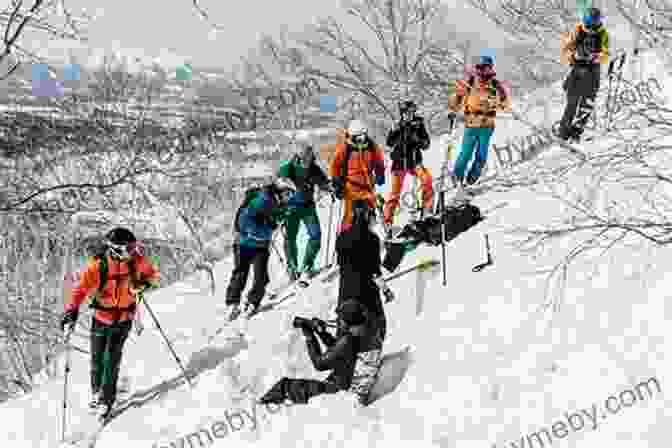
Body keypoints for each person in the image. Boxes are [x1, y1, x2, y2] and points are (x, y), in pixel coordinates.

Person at [60, 227, 160, 418]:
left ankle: (107, 399)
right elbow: (80, 289)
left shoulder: (136, 261)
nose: (133, 251)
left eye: (133, 247)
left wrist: (143, 285)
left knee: (111, 360)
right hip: (100, 319)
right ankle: (97, 393)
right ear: (115, 248)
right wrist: (71, 311)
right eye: (129, 248)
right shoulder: (99, 266)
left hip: (123, 320)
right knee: (97, 360)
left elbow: (153, 276)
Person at [258, 300, 384, 407]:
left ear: (348, 321)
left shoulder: (348, 340)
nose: (337, 320)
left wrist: (309, 336)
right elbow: (342, 352)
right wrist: (322, 333)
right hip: (358, 386)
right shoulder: (369, 331)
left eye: (340, 319)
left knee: (285, 386)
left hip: (345, 393)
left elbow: (319, 364)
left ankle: (261, 407)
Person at [225, 181, 293, 320]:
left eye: (290, 194)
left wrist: (277, 220)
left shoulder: (279, 204)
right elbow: (245, 222)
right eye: (287, 193)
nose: (289, 197)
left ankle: (252, 302)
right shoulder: (263, 200)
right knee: (241, 273)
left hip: (260, 246)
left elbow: (273, 220)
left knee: (260, 276)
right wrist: (268, 228)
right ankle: (233, 303)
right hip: (244, 243)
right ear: (280, 191)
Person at [448, 53, 511, 187]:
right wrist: (454, 105)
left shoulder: (495, 85)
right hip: (471, 123)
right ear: (477, 68)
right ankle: (457, 179)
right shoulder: (470, 82)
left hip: (487, 125)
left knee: (481, 156)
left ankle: (472, 180)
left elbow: (505, 103)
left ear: (490, 68)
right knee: (465, 153)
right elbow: (457, 99)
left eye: (486, 68)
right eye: (481, 68)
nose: (483, 71)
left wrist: (498, 103)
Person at [335, 199, 393, 341]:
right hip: (366, 296)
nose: (375, 219)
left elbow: (342, 266)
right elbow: (375, 273)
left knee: (345, 332)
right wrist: (386, 290)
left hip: (345, 294)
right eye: (373, 215)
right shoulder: (372, 239)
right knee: (378, 328)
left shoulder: (341, 237)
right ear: (367, 216)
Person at [276, 143, 332, 283]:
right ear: (300, 157)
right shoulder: (289, 167)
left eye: (311, 157)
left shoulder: (314, 169)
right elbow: (279, 179)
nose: (310, 160)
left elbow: (324, 183)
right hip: (290, 208)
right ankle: (292, 268)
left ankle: (307, 266)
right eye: (307, 157)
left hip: (307, 207)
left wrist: (332, 188)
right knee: (290, 238)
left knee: (316, 235)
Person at [557, 7, 609, 141]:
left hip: (592, 71)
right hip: (577, 69)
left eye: (594, 22)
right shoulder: (577, 30)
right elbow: (565, 50)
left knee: (587, 103)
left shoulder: (603, 33)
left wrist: (595, 56)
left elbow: (605, 54)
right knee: (572, 103)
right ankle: (563, 132)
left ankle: (577, 132)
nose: (591, 25)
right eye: (589, 22)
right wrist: (574, 55)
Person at [383, 100, 432, 232]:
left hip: (414, 162)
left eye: (412, 113)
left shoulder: (418, 125)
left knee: (427, 179)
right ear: (402, 114)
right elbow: (389, 143)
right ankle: (387, 221)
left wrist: (419, 140)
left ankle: (426, 209)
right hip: (399, 164)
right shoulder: (398, 126)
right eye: (407, 113)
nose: (409, 115)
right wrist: (393, 131)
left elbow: (426, 144)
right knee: (394, 193)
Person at [329, 120, 386, 233]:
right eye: (358, 137)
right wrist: (337, 183)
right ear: (351, 136)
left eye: (363, 136)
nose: (361, 140)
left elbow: (379, 161)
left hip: (368, 187)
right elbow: (335, 165)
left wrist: (380, 173)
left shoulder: (371, 146)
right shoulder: (346, 148)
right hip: (351, 188)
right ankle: (344, 237)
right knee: (350, 216)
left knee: (370, 214)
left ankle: (368, 236)